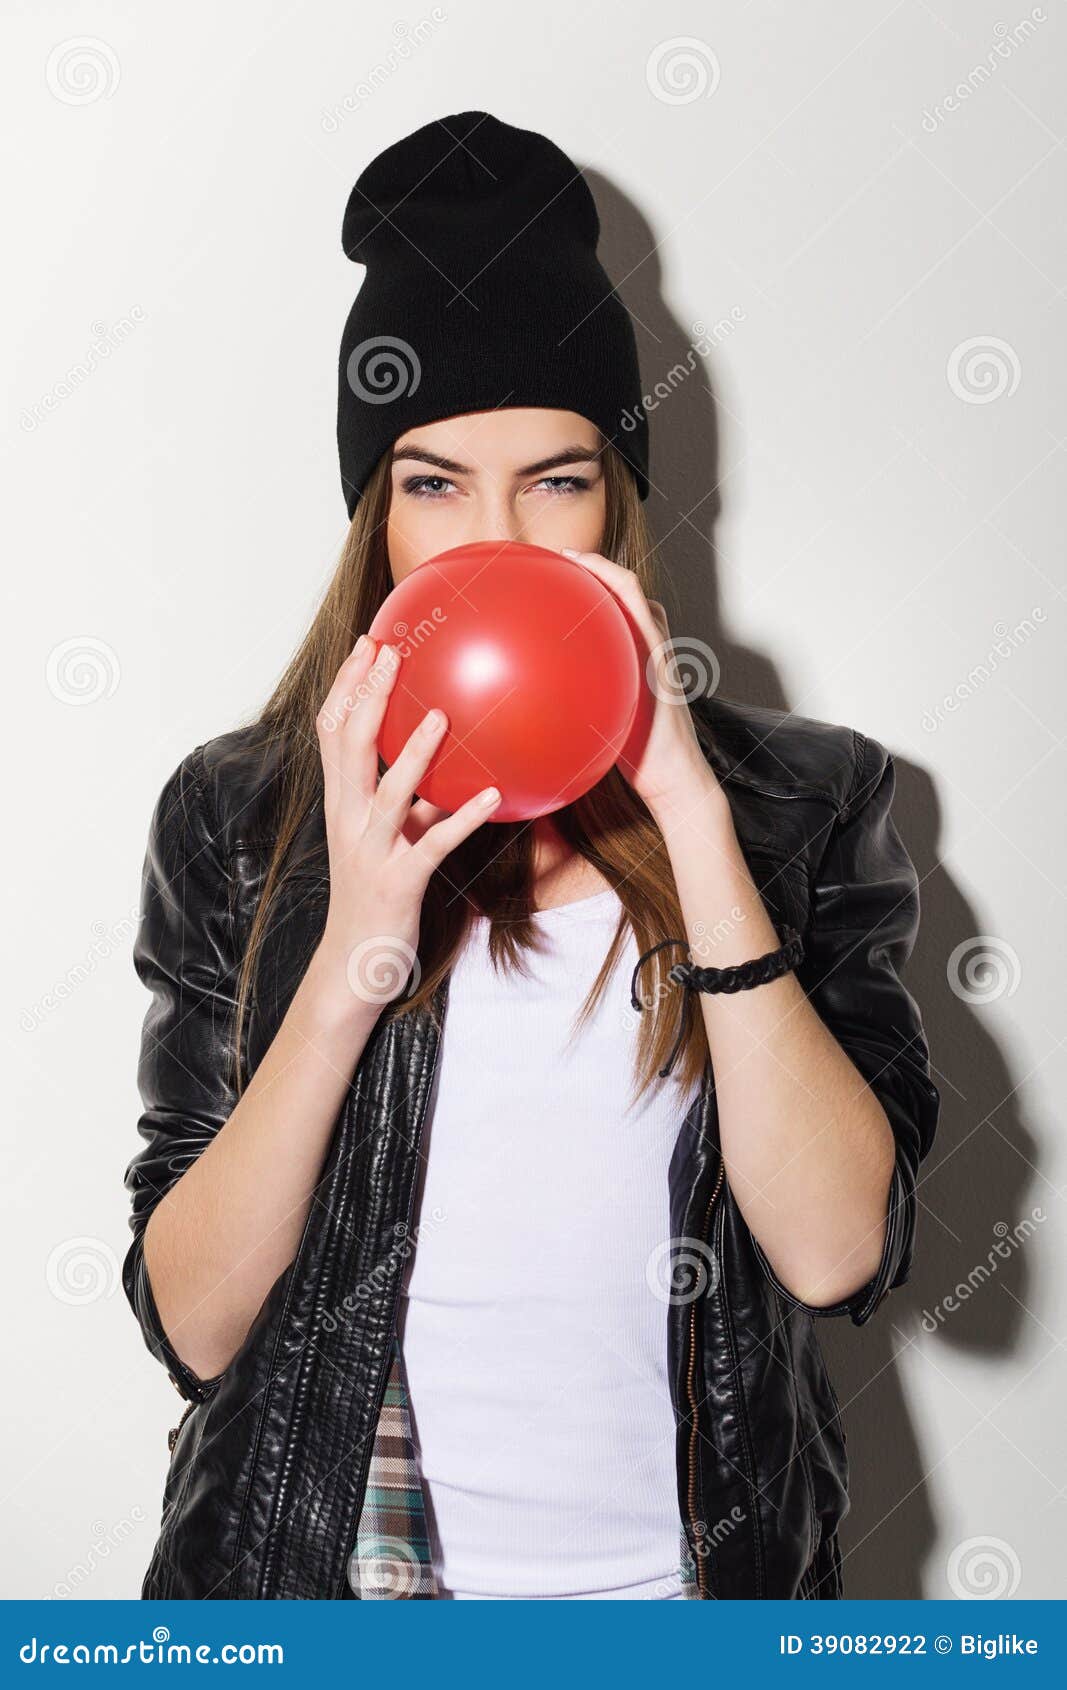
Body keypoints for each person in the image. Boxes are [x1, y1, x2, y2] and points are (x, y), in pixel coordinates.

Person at [122, 110, 940, 1601]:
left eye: (554, 478)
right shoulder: (241, 815)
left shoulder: (800, 799)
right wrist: (355, 959)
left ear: (619, 494)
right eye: (434, 483)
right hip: (337, 1609)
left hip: (693, 1617)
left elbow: (836, 1254)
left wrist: (693, 820)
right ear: (375, 515)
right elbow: (192, 1323)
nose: (498, 537)